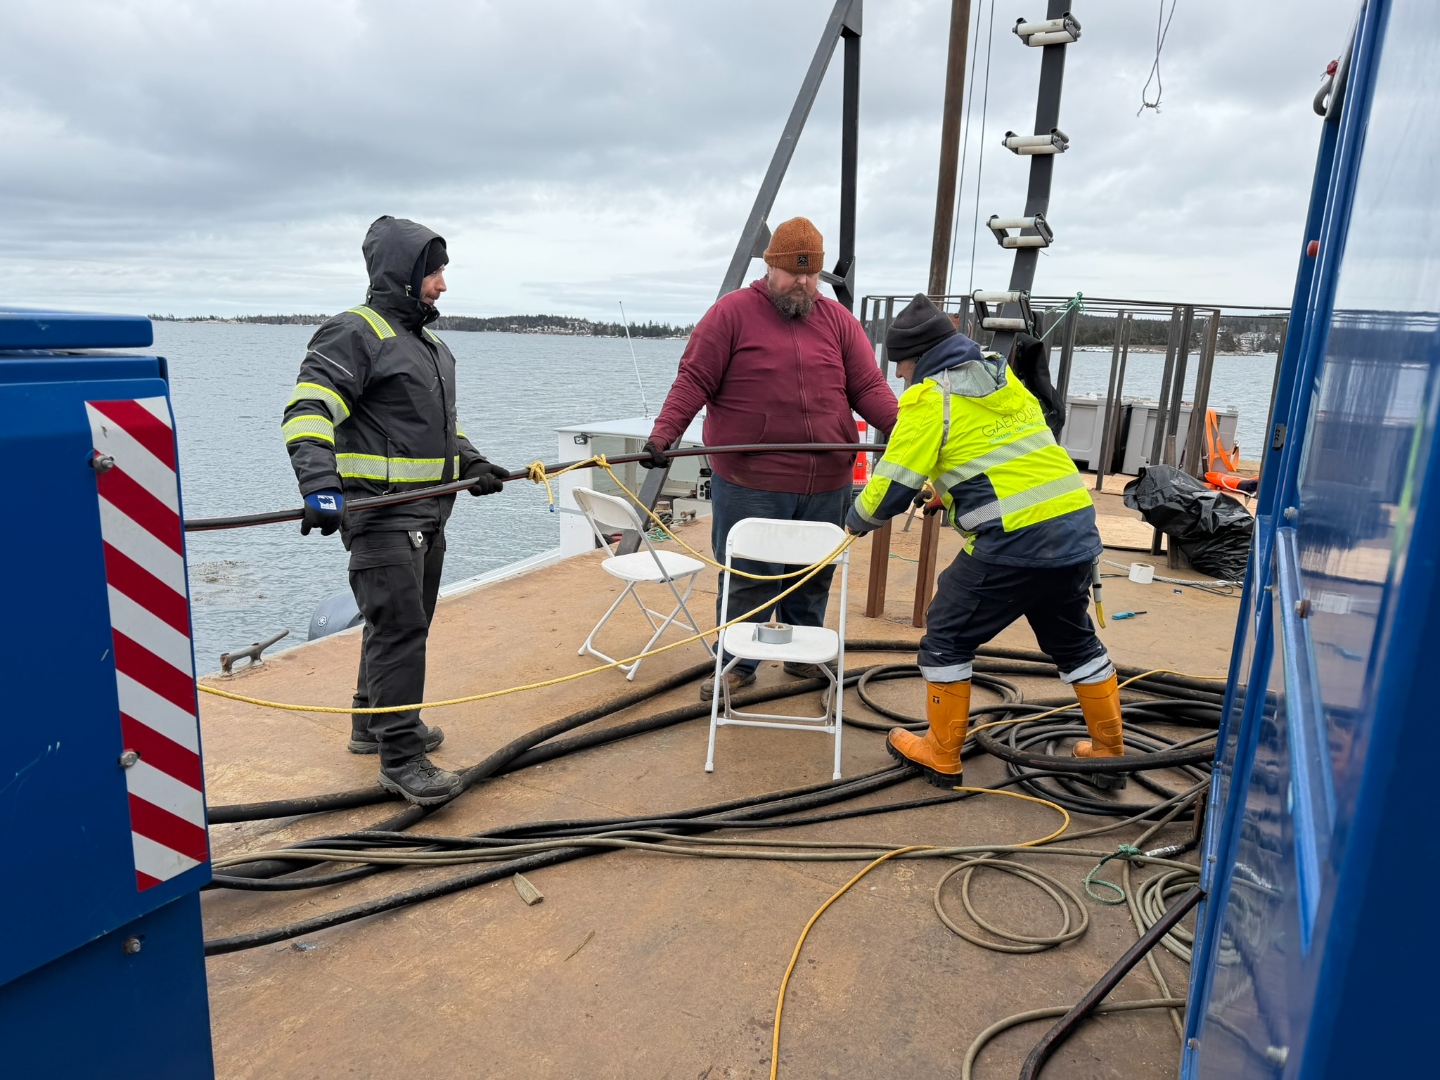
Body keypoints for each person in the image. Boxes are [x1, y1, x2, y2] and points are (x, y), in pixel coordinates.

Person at [845, 294, 1126, 788]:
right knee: (1073, 639)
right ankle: (1107, 752)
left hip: (1015, 544)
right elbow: (1003, 458)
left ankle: (941, 753)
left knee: (947, 636)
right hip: (1075, 529)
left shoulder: (930, 398)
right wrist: (949, 494)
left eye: (902, 366)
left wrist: (856, 518)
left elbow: (891, 485)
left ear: (917, 359)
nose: (902, 377)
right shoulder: (1001, 377)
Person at [282, 216, 511, 806]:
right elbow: (308, 411)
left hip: (429, 517)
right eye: (433, 272)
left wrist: (474, 464)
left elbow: (439, 432)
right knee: (401, 631)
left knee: (399, 626)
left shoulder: (429, 347)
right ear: (404, 274)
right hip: (382, 517)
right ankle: (402, 758)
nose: (441, 284)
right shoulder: (354, 333)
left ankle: (370, 722)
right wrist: (320, 487)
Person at [641, 217, 898, 700]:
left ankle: (803, 657)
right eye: (791, 272)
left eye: (811, 274)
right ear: (769, 267)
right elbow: (692, 380)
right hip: (750, 478)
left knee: (813, 574)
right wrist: (663, 435)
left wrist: (909, 433)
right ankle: (737, 663)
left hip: (828, 478)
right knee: (749, 576)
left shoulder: (838, 320)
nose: (801, 283)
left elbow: (868, 386)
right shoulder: (730, 313)